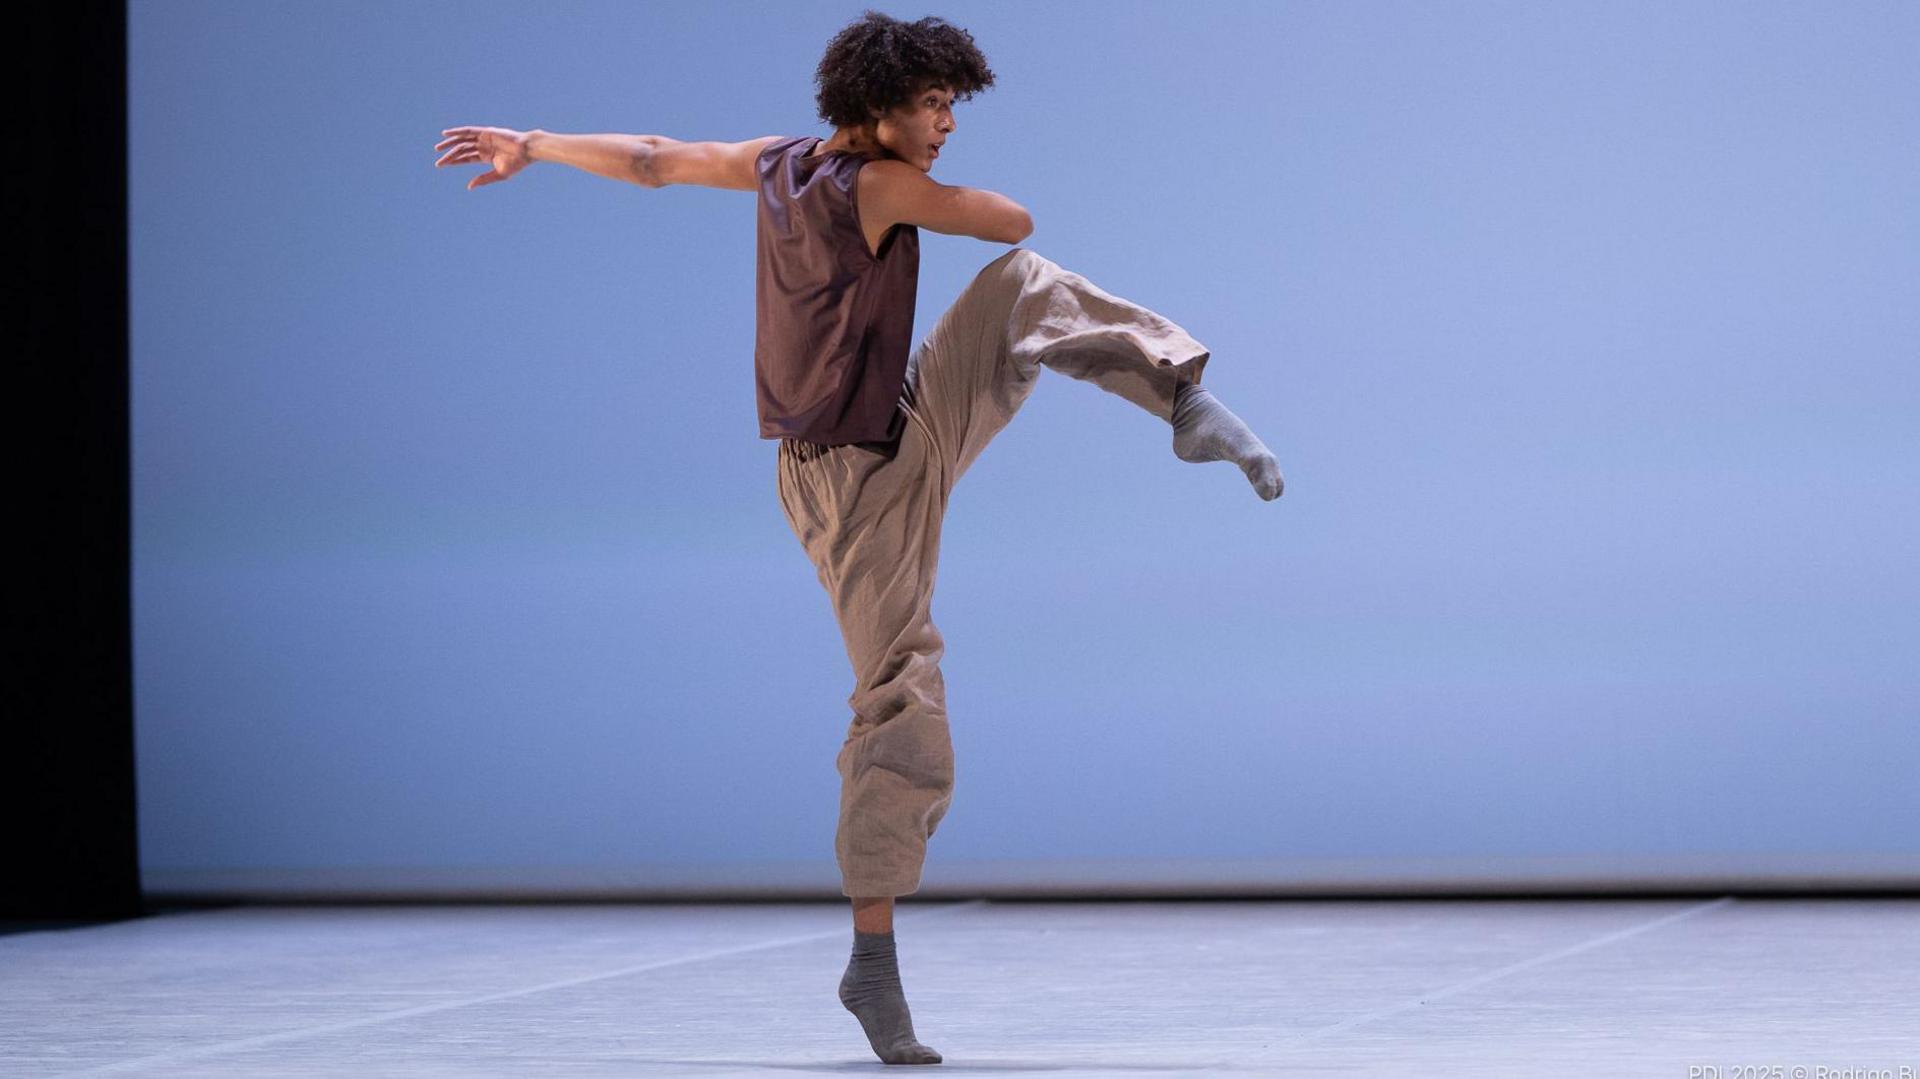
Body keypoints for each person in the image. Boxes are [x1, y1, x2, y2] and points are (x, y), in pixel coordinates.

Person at [434, 9, 1283, 1066]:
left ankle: (1181, 399)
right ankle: (871, 960)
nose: (945, 125)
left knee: (1025, 295)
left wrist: (537, 143)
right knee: (902, 693)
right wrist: (920, 189)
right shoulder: (877, 184)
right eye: (932, 106)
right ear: (877, 108)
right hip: (850, 486)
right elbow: (1008, 214)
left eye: (949, 107)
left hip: (903, 423)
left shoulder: (781, 162)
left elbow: (657, 161)